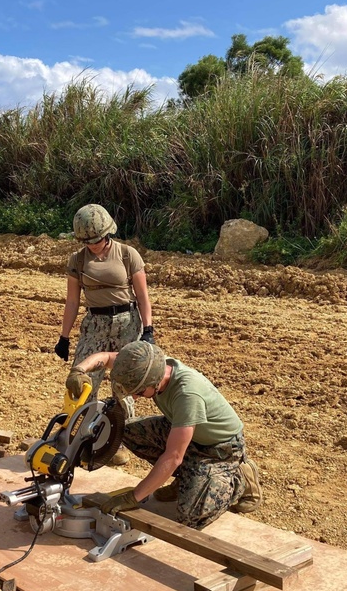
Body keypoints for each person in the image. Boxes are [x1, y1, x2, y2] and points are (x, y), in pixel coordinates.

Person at [65, 341, 263, 530]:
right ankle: (189, 477)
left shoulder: (188, 394)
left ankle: (240, 477)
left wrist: (134, 497)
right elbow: (106, 357)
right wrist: (79, 370)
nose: (135, 397)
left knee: (191, 516)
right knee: (125, 430)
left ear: (156, 381)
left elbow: (173, 456)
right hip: (190, 436)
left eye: (140, 392)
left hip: (220, 450)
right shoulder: (146, 365)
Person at [55, 204, 154, 425]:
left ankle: (122, 437)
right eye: (86, 242)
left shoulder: (128, 255)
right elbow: (72, 301)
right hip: (95, 324)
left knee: (123, 384)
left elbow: (142, 296)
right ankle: (83, 434)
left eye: (96, 240)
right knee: (83, 380)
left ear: (108, 233)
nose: (92, 246)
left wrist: (148, 330)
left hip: (127, 322)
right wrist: (64, 337)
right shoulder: (77, 260)